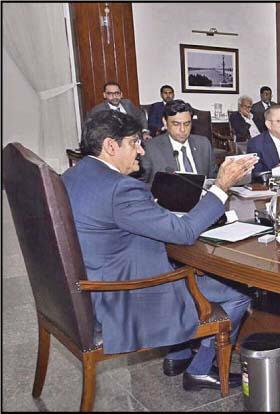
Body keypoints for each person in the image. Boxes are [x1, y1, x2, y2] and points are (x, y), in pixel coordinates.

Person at [61, 110, 258, 391]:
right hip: (121, 297)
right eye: (134, 143)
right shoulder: (120, 188)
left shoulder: (74, 174)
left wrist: (148, 209)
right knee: (237, 293)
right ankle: (200, 369)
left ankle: (178, 355)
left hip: (90, 286)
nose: (141, 151)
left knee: (186, 268)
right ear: (110, 146)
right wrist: (221, 186)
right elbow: (185, 233)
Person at [140, 99, 217, 184]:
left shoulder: (204, 144)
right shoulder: (150, 148)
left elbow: (212, 179)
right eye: (176, 124)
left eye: (187, 124)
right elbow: (140, 185)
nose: (182, 129)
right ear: (165, 122)